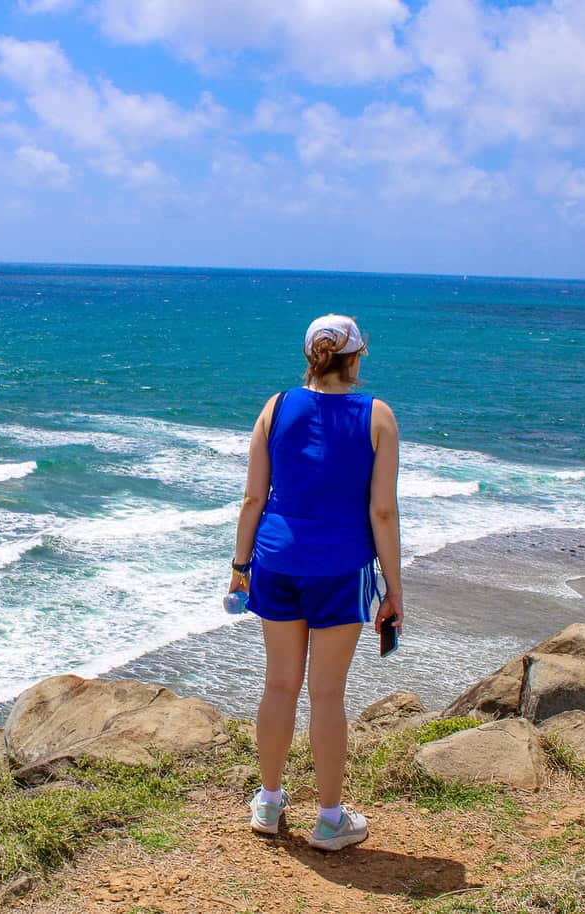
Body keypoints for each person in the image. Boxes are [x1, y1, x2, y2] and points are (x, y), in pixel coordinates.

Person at [228, 313, 403, 852]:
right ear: (354, 357)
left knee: (279, 684)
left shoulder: (274, 407)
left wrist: (240, 568)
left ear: (311, 355)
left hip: (276, 562)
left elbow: (254, 498)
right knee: (326, 693)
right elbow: (382, 513)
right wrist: (394, 590)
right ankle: (329, 820)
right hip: (340, 570)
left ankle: (269, 801)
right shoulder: (377, 416)